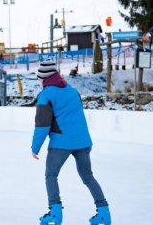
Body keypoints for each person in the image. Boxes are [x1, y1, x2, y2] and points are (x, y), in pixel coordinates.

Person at [31, 59, 111, 225]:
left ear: (44, 78)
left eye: (39, 78)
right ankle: (104, 212)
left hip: (61, 142)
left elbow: (42, 125)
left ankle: (55, 212)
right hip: (83, 141)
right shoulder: (72, 90)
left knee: (51, 175)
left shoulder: (45, 95)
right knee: (88, 176)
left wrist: (35, 147)